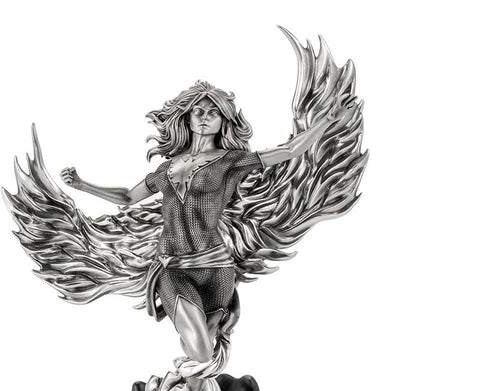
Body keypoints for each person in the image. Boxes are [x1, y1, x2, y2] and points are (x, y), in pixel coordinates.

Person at [60, 80, 355, 374]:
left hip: (217, 269)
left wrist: (327, 120)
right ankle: (190, 378)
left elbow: (289, 151)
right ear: (187, 118)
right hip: (173, 268)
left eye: (213, 112)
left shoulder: (232, 161)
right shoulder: (166, 168)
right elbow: (127, 197)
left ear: (224, 120)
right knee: (201, 352)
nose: (204, 117)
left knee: (203, 347)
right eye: (198, 111)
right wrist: (83, 185)